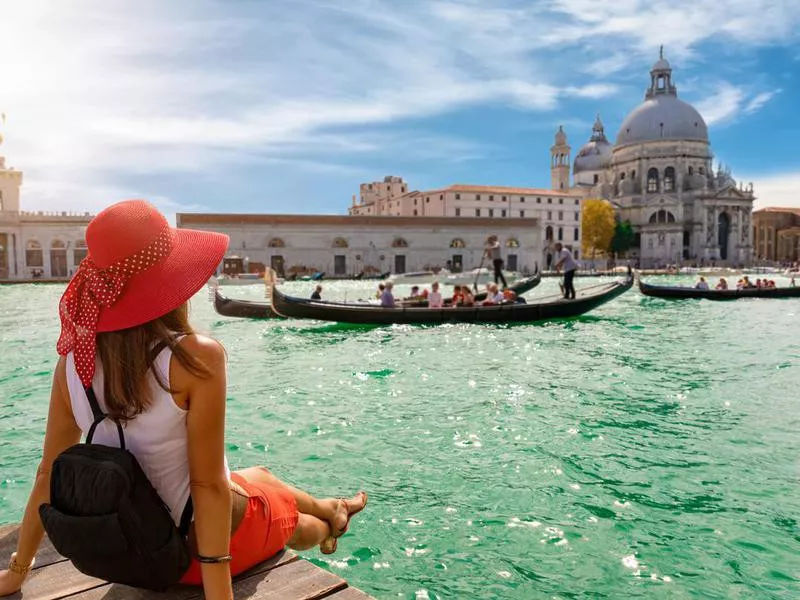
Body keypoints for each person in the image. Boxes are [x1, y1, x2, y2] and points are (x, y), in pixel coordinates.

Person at [0, 200, 367, 600]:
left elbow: (45, 475)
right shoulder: (194, 358)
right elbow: (207, 486)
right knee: (291, 520)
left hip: (131, 546)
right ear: (169, 281)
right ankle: (330, 524)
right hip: (185, 558)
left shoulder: (72, 363)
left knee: (259, 475)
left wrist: (17, 573)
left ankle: (332, 505)